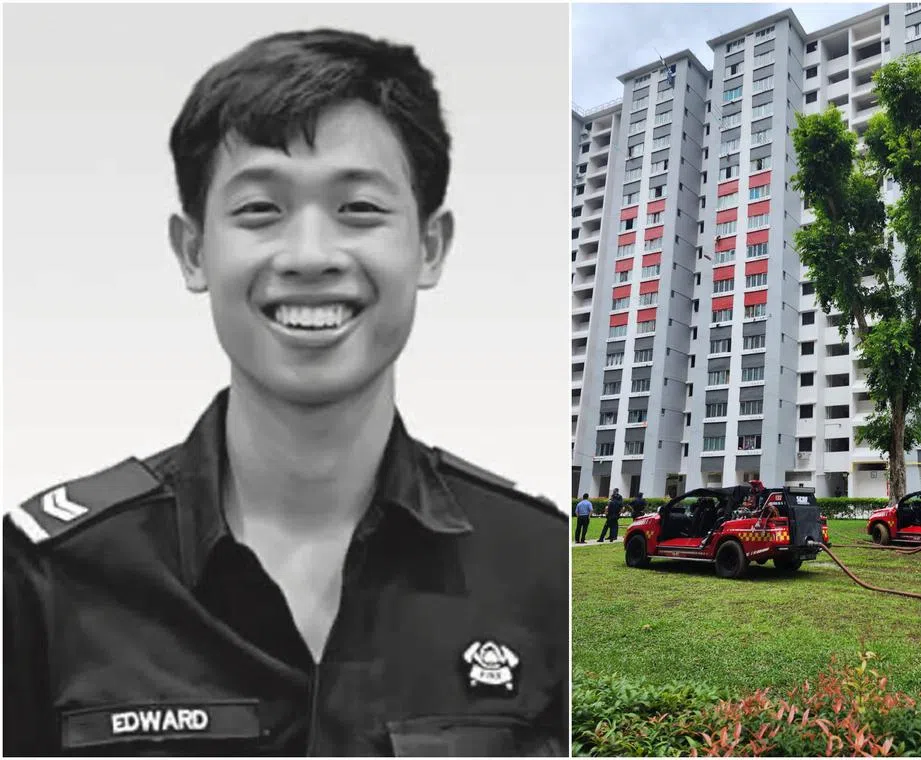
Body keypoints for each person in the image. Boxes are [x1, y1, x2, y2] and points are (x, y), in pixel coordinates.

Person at [3, 29, 567, 757]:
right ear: (193, 250)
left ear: (429, 247)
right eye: (260, 210)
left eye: (359, 209)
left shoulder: (536, 566)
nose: (309, 257)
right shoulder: (48, 576)